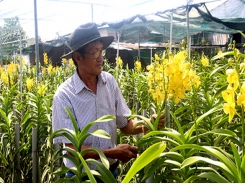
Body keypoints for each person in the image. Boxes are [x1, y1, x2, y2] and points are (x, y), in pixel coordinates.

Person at [52, 22, 165, 180]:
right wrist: (113, 153)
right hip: (79, 175)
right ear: (78, 57)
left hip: (110, 172)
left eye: (101, 52)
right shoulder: (64, 95)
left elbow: (125, 125)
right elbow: (71, 149)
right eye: (94, 53)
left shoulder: (109, 82)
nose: (101, 59)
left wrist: (148, 125)